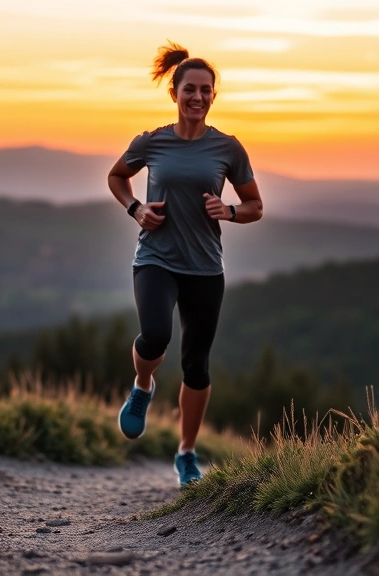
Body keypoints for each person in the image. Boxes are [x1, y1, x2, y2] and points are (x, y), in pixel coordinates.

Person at [106, 42, 264, 486]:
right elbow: (116, 177)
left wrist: (229, 211)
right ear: (174, 93)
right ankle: (142, 387)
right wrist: (136, 208)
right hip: (155, 258)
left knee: (196, 364)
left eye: (206, 90)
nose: (197, 97)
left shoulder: (228, 149)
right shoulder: (151, 142)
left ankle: (186, 453)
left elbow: (255, 206)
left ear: (214, 96)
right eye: (189, 89)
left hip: (205, 268)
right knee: (155, 336)